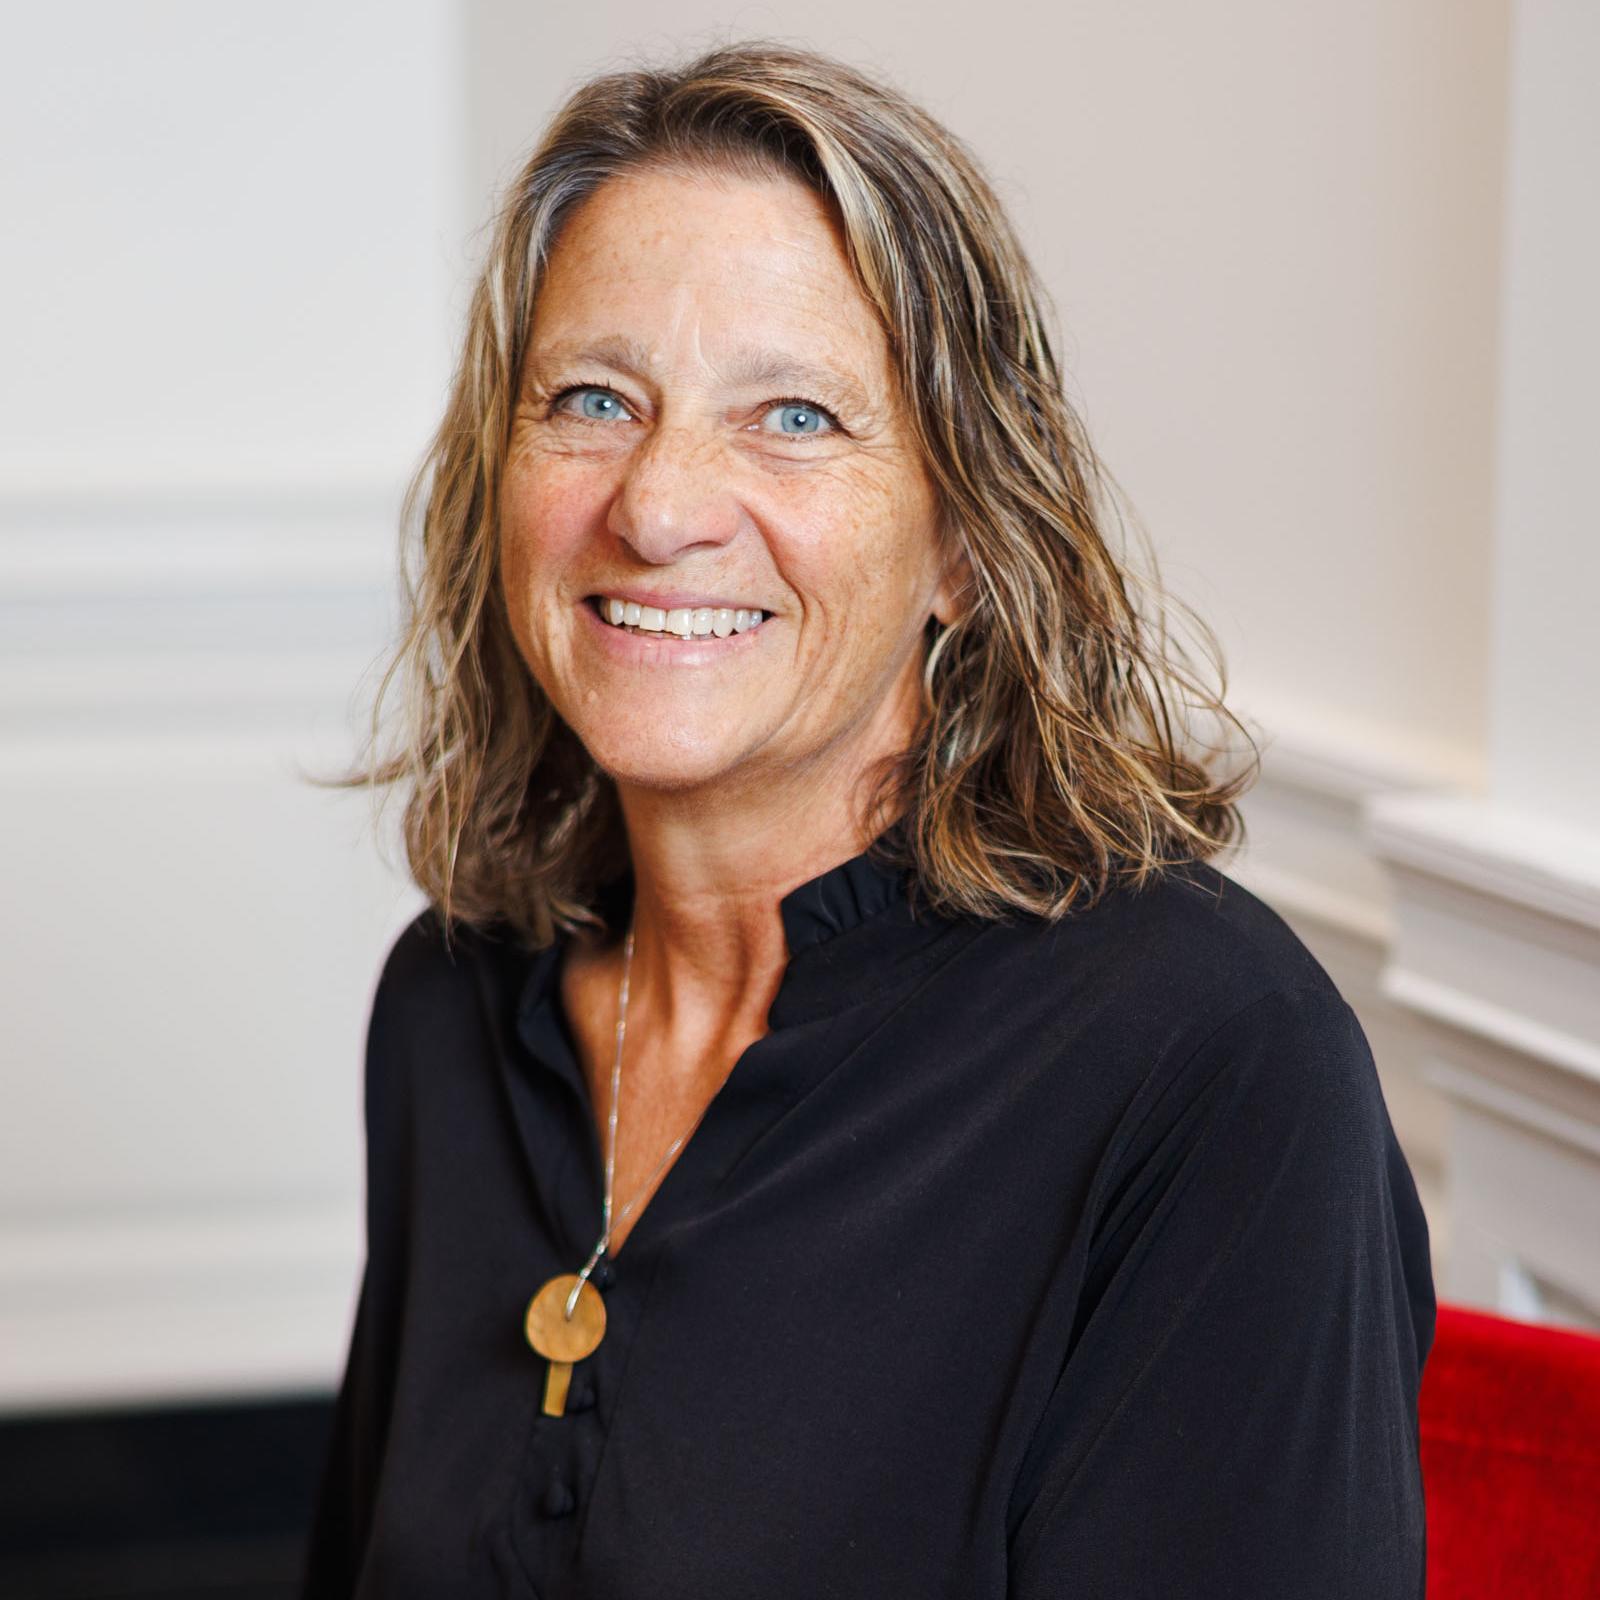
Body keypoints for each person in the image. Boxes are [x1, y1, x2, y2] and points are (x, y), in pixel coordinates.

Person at [303, 39, 1435, 1598]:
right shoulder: (457, 1000)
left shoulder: (1210, 1067)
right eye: (592, 398)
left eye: (795, 418)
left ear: (965, 539)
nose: (657, 505)